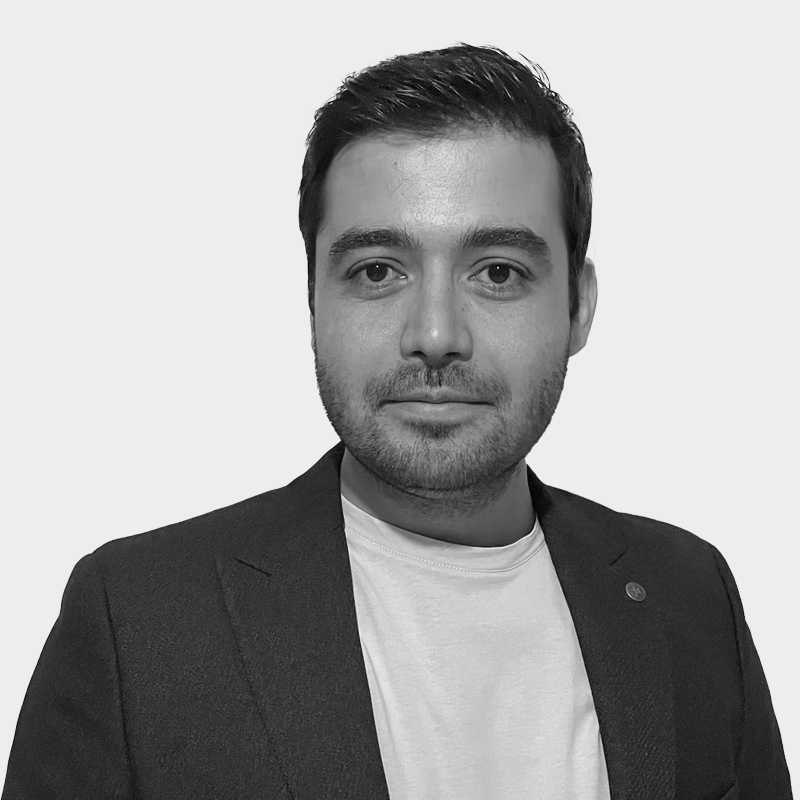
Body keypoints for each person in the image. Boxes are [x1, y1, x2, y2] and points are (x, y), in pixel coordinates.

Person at [2, 44, 792, 800]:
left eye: (498, 272)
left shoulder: (691, 596)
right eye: (378, 270)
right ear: (313, 301)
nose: (436, 334)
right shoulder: (136, 621)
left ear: (579, 306)